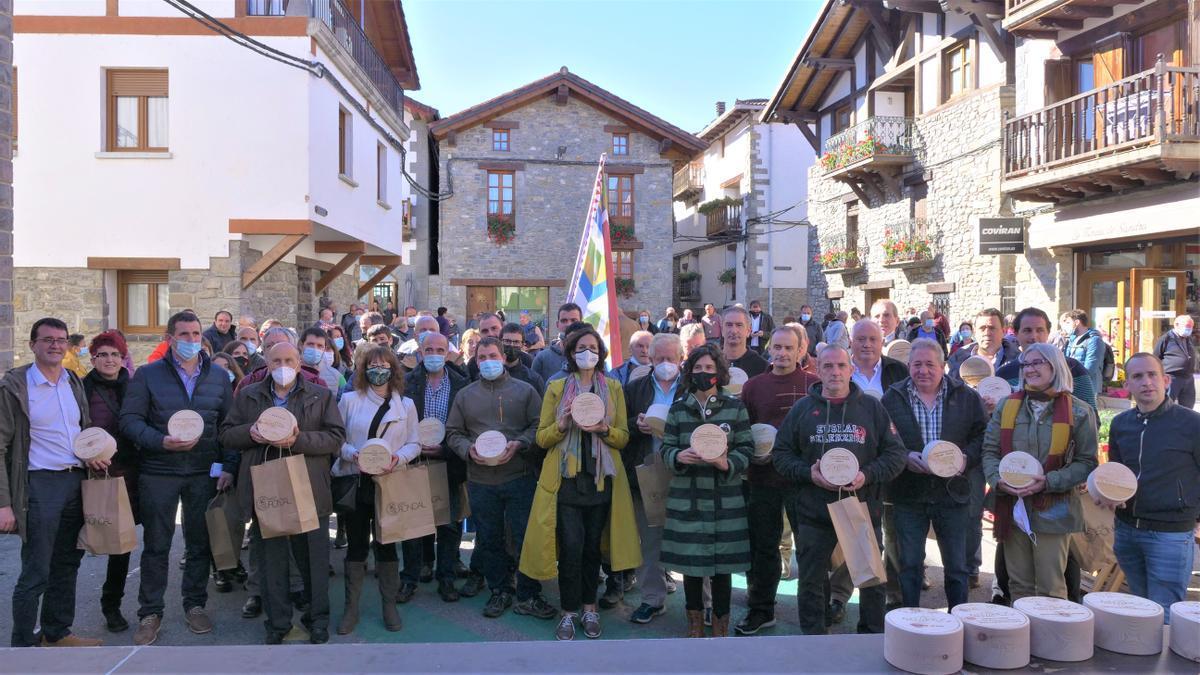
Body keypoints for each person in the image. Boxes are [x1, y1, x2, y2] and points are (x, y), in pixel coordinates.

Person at [772, 345, 906, 635]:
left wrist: (866, 476)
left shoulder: (871, 408)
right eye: (828, 366)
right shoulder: (803, 409)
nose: (835, 372)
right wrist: (808, 474)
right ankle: (814, 639)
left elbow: (896, 455)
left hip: (860, 507)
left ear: (851, 369)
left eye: (841, 366)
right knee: (810, 580)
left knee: (871, 579)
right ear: (818, 370)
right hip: (814, 510)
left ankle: (871, 636)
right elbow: (781, 455)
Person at [119, 310, 234, 646]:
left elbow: (227, 426)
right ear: (169, 339)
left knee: (200, 544)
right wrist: (160, 441)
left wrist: (227, 465)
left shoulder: (217, 378)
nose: (191, 341)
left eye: (196, 334)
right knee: (156, 545)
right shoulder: (147, 374)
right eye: (184, 335)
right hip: (159, 471)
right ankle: (150, 613)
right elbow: (130, 421)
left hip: (202, 472)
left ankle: (195, 604)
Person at [220, 342, 345, 644]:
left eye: (289, 359)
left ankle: (317, 620)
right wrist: (249, 432)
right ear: (266, 363)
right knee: (271, 560)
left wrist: (299, 439)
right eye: (276, 360)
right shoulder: (249, 395)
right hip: (266, 485)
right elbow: (225, 434)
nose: (283, 365)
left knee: (313, 560)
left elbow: (335, 437)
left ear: (300, 363)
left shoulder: (321, 395)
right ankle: (278, 623)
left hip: (308, 485)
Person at [523, 325, 637, 641]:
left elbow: (624, 437)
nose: (588, 353)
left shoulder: (613, 388)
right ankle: (569, 612)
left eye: (593, 348)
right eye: (581, 348)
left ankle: (590, 609)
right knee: (571, 548)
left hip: (601, 482)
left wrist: (604, 430)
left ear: (600, 354)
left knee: (591, 550)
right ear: (571, 353)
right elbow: (541, 438)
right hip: (566, 482)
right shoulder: (556, 388)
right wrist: (561, 425)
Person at [1, 318, 104, 647]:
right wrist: (4, 503)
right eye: (47, 340)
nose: (55, 345)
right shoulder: (15, 387)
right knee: (37, 570)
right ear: (32, 345)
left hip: (75, 481)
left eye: (61, 340)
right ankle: (22, 645)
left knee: (67, 563)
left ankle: (57, 633)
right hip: (39, 485)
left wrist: (94, 454)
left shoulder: (72, 381)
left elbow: (78, 430)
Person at [445, 337, 556, 621]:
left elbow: (538, 426)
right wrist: (467, 450)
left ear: (504, 357)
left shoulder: (526, 391)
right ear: (476, 361)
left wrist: (520, 443)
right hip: (481, 480)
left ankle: (529, 593)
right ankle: (499, 589)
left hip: (519, 476)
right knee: (490, 538)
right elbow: (453, 432)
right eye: (482, 357)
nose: (487, 361)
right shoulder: (466, 395)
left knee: (524, 537)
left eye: (492, 355)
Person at [981, 343, 1097, 602]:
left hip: (1054, 508)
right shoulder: (1007, 406)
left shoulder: (1079, 411)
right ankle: (1023, 640)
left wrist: (1048, 482)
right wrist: (998, 481)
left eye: (1037, 363)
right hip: (1012, 506)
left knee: (1050, 587)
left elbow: (1087, 462)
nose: (1030, 369)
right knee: (1018, 584)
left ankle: (1051, 641)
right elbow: (989, 451)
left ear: (1054, 366)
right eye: (1026, 364)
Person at [880, 338, 987, 610]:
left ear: (943, 366)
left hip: (952, 492)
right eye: (916, 364)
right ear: (908, 366)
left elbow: (982, 435)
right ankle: (910, 619)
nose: (923, 370)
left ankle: (959, 618)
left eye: (930, 364)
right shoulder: (892, 397)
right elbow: (881, 440)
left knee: (956, 566)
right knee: (910, 564)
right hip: (909, 492)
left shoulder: (965, 396)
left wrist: (966, 458)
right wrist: (903, 457)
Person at [660, 344, 753, 638]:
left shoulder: (734, 407)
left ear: (719, 372)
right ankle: (695, 626)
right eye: (698, 368)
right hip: (688, 498)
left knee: (723, 566)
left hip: (725, 497)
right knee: (691, 565)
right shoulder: (678, 408)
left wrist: (728, 463)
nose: (703, 373)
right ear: (690, 372)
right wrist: (677, 457)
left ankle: (721, 627)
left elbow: (747, 447)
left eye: (709, 369)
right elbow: (666, 447)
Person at [734, 326, 819, 635]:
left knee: (810, 548)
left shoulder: (815, 385)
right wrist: (751, 454)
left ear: (800, 352)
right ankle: (761, 610)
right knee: (763, 547)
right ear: (769, 349)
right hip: (763, 479)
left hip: (804, 481)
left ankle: (814, 614)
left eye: (789, 348)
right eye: (777, 347)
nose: (782, 353)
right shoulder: (754, 387)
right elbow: (743, 430)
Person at [331, 345, 418, 635]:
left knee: (387, 545)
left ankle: (388, 605)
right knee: (356, 545)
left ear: (394, 370)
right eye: (373, 365)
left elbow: (414, 442)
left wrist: (399, 458)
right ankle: (351, 608)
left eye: (384, 365)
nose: (378, 370)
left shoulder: (405, 406)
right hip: (357, 482)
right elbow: (336, 439)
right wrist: (352, 454)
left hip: (390, 482)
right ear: (363, 369)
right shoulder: (348, 401)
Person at [1105, 354, 1200, 618]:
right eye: (1137, 376)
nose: (1146, 382)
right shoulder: (1120, 424)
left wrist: (1192, 514)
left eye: (1152, 375)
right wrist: (1110, 494)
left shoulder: (1192, 424)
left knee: (1166, 614)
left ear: (1165, 380)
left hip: (1169, 534)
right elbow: (1117, 471)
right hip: (1127, 531)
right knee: (1141, 609)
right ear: (1129, 386)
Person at [623, 332, 689, 625]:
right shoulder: (635, 388)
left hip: (686, 473)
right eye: (658, 358)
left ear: (681, 359)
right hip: (647, 471)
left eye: (670, 359)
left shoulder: (692, 387)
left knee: (692, 539)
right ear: (650, 357)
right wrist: (635, 426)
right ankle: (652, 599)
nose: (664, 364)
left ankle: (704, 602)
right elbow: (619, 428)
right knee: (649, 540)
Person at [404, 331, 471, 602]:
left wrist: (447, 449)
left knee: (449, 525)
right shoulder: (406, 383)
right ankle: (409, 579)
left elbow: (466, 425)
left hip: (448, 462)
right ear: (420, 352)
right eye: (428, 349)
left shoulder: (461, 384)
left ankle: (446, 578)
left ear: (448, 352)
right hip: (415, 462)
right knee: (412, 524)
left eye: (439, 350)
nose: (434, 355)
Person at [82, 332, 141, 633]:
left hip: (126, 474)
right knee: (77, 544)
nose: (109, 360)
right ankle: (57, 614)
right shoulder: (80, 388)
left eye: (114, 355)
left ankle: (111, 605)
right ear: (92, 359)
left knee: (121, 545)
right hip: (90, 474)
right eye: (103, 355)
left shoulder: (132, 387)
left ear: (122, 358)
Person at [996, 308, 1096, 410]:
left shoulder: (1073, 368)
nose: (1034, 336)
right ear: (1016, 334)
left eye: (1040, 330)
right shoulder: (1004, 374)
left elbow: (1091, 416)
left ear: (1048, 333)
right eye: (1027, 330)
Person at [236, 327, 323, 396]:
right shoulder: (249, 383)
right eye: (269, 345)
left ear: (294, 350)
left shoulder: (315, 383)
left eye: (281, 344)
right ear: (263, 351)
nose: (275, 350)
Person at [947, 308, 1019, 383]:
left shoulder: (1017, 361)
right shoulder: (957, 360)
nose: (987, 333)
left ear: (1003, 331)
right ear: (975, 332)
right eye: (982, 328)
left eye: (992, 328)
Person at [532, 303, 584, 383]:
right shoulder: (542, 358)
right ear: (557, 324)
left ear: (581, 323)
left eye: (573, 320)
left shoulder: (590, 356)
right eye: (564, 321)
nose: (568, 324)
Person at [1154, 315, 1197, 409]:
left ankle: (1185, 423)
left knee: (1188, 406)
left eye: (1190, 327)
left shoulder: (1188, 339)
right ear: (1176, 325)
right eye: (1187, 327)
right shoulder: (1165, 339)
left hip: (1188, 377)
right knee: (1166, 405)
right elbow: (1156, 358)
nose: (1189, 329)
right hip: (1172, 377)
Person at [1061, 310, 1106, 396]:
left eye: (1068, 322)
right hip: (1071, 384)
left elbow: (1090, 367)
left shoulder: (1094, 340)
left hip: (1088, 386)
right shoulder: (1071, 339)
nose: (1065, 326)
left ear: (1077, 322)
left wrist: (1077, 381)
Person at [721, 306, 769, 379]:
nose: (734, 331)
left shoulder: (761, 366)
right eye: (729, 325)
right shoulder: (710, 363)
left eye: (739, 325)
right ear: (722, 330)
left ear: (748, 331)